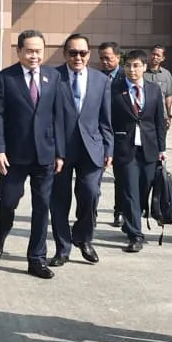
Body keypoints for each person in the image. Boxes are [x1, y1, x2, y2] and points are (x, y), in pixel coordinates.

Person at [0, 30, 71, 278]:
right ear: (19, 51)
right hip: (14, 156)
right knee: (8, 201)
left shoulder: (53, 76)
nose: (34, 56)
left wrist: (60, 153)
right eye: (30, 51)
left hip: (45, 154)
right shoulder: (6, 78)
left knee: (42, 207)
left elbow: (58, 116)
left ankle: (36, 259)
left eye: (39, 51)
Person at [52, 33, 113, 266]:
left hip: (92, 147)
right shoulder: (53, 77)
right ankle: (62, 248)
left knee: (90, 193)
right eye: (73, 53)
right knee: (59, 200)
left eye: (82, 53)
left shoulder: (101, 80)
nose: (78, 57)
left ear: (89, 54)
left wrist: (109, 148)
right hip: (61, 149)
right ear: (65, 54)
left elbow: (105, 119)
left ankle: (83, 237)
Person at [109, 50, 168, 251]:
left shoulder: (153, 90)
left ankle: (130, 221)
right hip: (124, 149)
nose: (132, 70)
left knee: (143, 189)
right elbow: (108, 120)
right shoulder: (114, 89)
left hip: (149, 148)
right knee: (130, 191)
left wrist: (162, 148)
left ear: (144, 67)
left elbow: (159, 121)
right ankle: (136, 235)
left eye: (136, 66)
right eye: (128, 66)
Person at [146, 45, 172, 110]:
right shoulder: (141, 72)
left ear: (163, 58)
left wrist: (168, 113)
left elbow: (168, 95)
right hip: (145, 113)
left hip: (162, 112)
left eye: (158, 55)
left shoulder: (166, 74)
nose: (155, 57)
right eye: (153, 54)